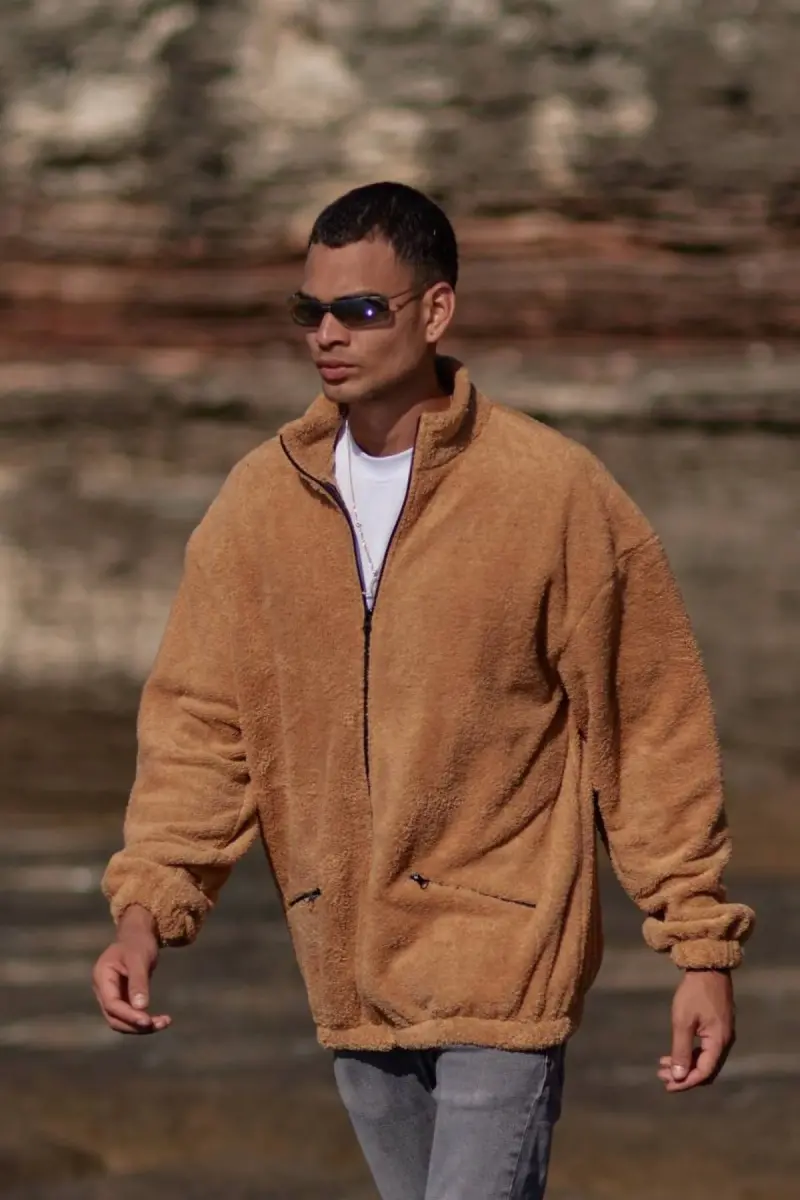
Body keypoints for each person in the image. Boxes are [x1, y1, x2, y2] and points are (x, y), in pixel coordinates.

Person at [93, 181, 755, 1200]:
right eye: (310, 310)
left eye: (359, 309)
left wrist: (699, 947)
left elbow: (649, 724)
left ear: (435, 310)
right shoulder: (259, 505)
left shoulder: (550, 492)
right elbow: (202, 727)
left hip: (504, 960)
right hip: (346, 964)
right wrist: (147, 912)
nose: (328, 334)